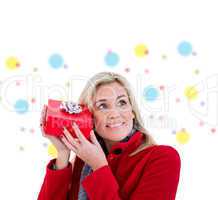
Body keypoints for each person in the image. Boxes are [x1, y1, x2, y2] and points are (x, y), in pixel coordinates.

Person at [38, 71, 181, 200]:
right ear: (88, 117)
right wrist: (63, 154)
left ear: (132, 111)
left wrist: (99, 167)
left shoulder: (163, 158)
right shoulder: (84, 160)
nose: (114, 113)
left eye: (122, 102)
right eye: (102, 106)